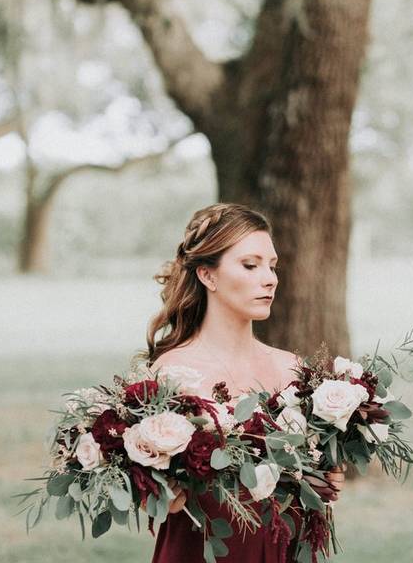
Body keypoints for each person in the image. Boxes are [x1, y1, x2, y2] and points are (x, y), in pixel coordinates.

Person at [147, 203, 343, 563]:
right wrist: (160, 493)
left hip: (285, 546)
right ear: (208, 275)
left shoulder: (292, 369)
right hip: (207, 550)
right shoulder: (173, 372)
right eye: (250, 266)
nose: (269, 278)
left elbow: (306, 473)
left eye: (272, 266)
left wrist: (323, 477)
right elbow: (148, 489)